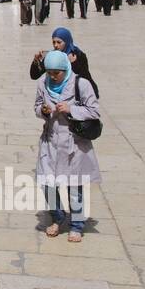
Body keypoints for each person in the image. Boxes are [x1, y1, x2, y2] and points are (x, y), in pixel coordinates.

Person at [34, 51, 102, 243]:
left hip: (73, 143)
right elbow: (37, 105)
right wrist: (43, 111)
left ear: (65, 69)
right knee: (47, 182)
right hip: (50, 140)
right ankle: (57, 216)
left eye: (57, 73)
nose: (53, 76)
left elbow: (94, 110)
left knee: (74, 185)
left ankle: (77, 225)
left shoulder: (81, 84)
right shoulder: (43, 83)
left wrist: (71, 109)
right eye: (49, 72)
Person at [30, 27, 99, 98]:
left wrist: (74, 63)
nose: (55, 45)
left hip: (75, 97)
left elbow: (85, 78)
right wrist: (36, 61)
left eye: (59, 42)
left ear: (67, 41)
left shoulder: (78, 55)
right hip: (55, 96)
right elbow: (34, 75)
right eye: (53, 42)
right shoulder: (52, 56)